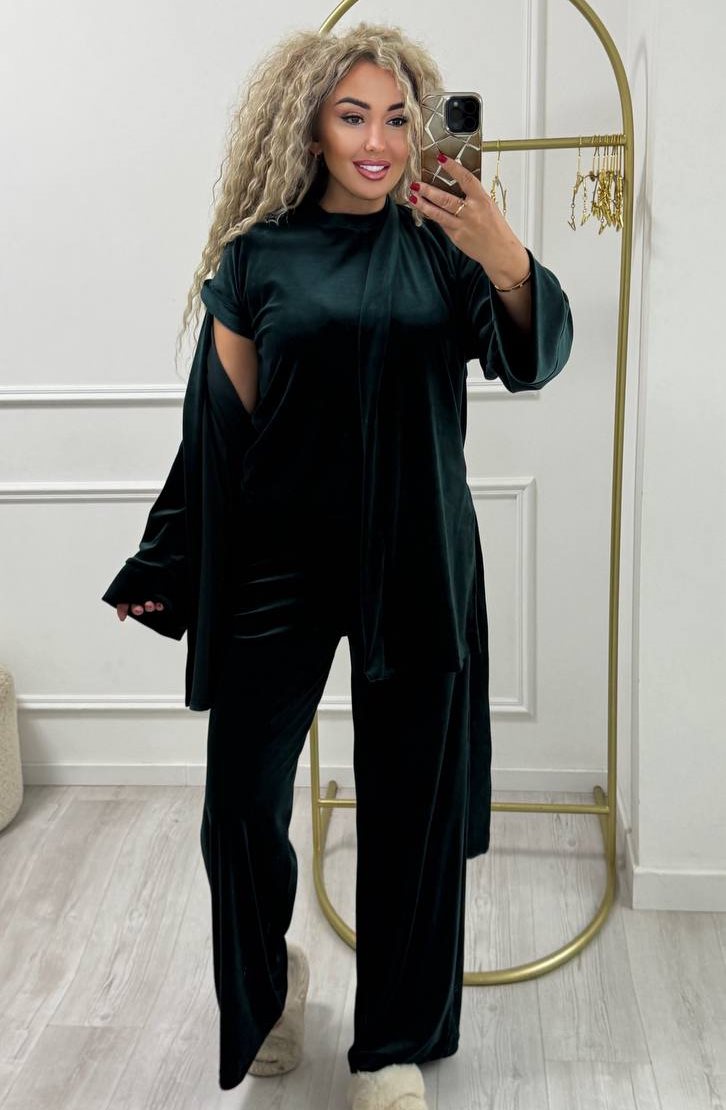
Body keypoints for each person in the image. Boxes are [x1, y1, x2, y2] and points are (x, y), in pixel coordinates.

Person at [101, 20, 573, 1108]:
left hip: (418, 552)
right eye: (352, 117)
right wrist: (168, 559)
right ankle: (270, 989)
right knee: (239, 804)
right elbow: (219, 431)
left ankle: (393, 1043)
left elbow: (532, 358)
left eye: (397, 119)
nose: (377, 142)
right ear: (309, 125)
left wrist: (501, 247)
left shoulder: (446, 243)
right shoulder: (256, 257)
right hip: (278, 562)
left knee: (409, 809)